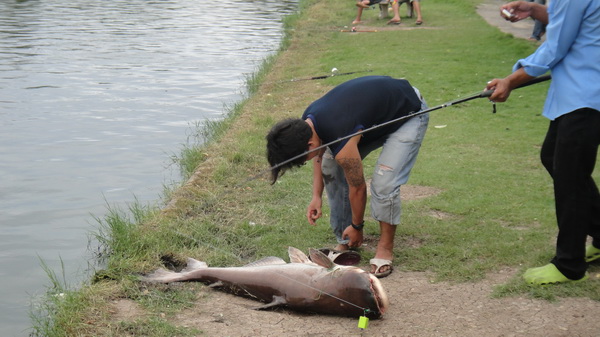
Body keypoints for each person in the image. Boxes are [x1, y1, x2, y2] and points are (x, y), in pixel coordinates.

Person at [266, 76, 429, 278]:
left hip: (409, 112)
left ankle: (384, 247)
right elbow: (320, 155)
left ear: (309, 144)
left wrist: (358, 225)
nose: (304, 162)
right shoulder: (307, 123)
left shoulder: (338, 132)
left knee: (384, 182)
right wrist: (316, 196)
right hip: (375, 116)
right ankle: (346, 238)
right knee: (330, 163)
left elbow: (358, 187)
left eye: (301, 160)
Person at [488, 0, 600, 285]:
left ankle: (569, 264)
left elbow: (556, 46)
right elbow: (579, 21)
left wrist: (511, 80)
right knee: (552, 158)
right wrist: (540, 12)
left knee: (571, 178)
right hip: (577, 93)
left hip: (585, 95)